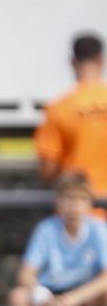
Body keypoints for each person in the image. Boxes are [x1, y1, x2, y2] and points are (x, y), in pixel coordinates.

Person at [8, 171, 107, 306]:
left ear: (90, 203)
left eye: (81, 199)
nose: (75, 206)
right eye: (69, 199)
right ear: (58, 203)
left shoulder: (98, 230)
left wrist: (74, 298)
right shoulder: (47, 229)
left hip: (85, 296)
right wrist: (42, 295)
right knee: (18, 297)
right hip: (52, 294)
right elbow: (25, 274)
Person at [35, 33, 107, 198]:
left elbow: (48, 170)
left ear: (72, 62)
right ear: (102, 60)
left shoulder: (59, 108)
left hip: (79, 208)